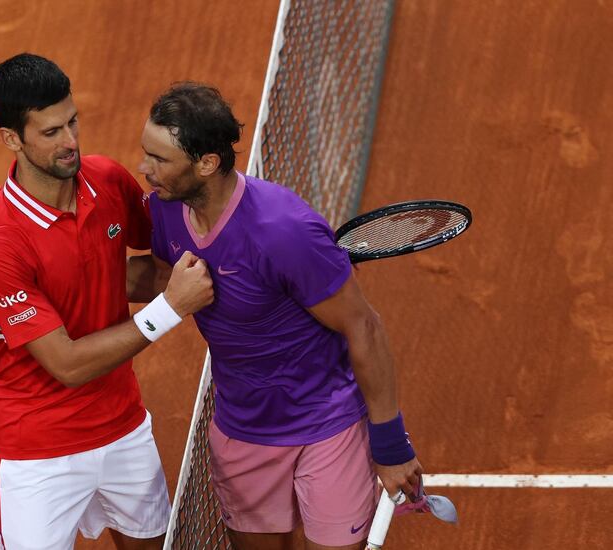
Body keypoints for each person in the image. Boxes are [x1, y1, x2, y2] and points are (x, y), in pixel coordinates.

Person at [138, 82, 423, 550]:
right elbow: (160, 273)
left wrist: (391, 445)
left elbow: (364, 326)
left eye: (159, 159)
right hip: (242, 429)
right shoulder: (167, 211)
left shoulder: (283, 231)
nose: (144, 169)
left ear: (207, 164)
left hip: (327, 425)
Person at [0, 54, 213, 550]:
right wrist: (171, 307)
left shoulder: (107, 180)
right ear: (12, 138)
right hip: (37, 452)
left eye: (73, 121)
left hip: (123, 427)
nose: (71, 141)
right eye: (51, 131)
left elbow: (155, 265)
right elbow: (68, 365)